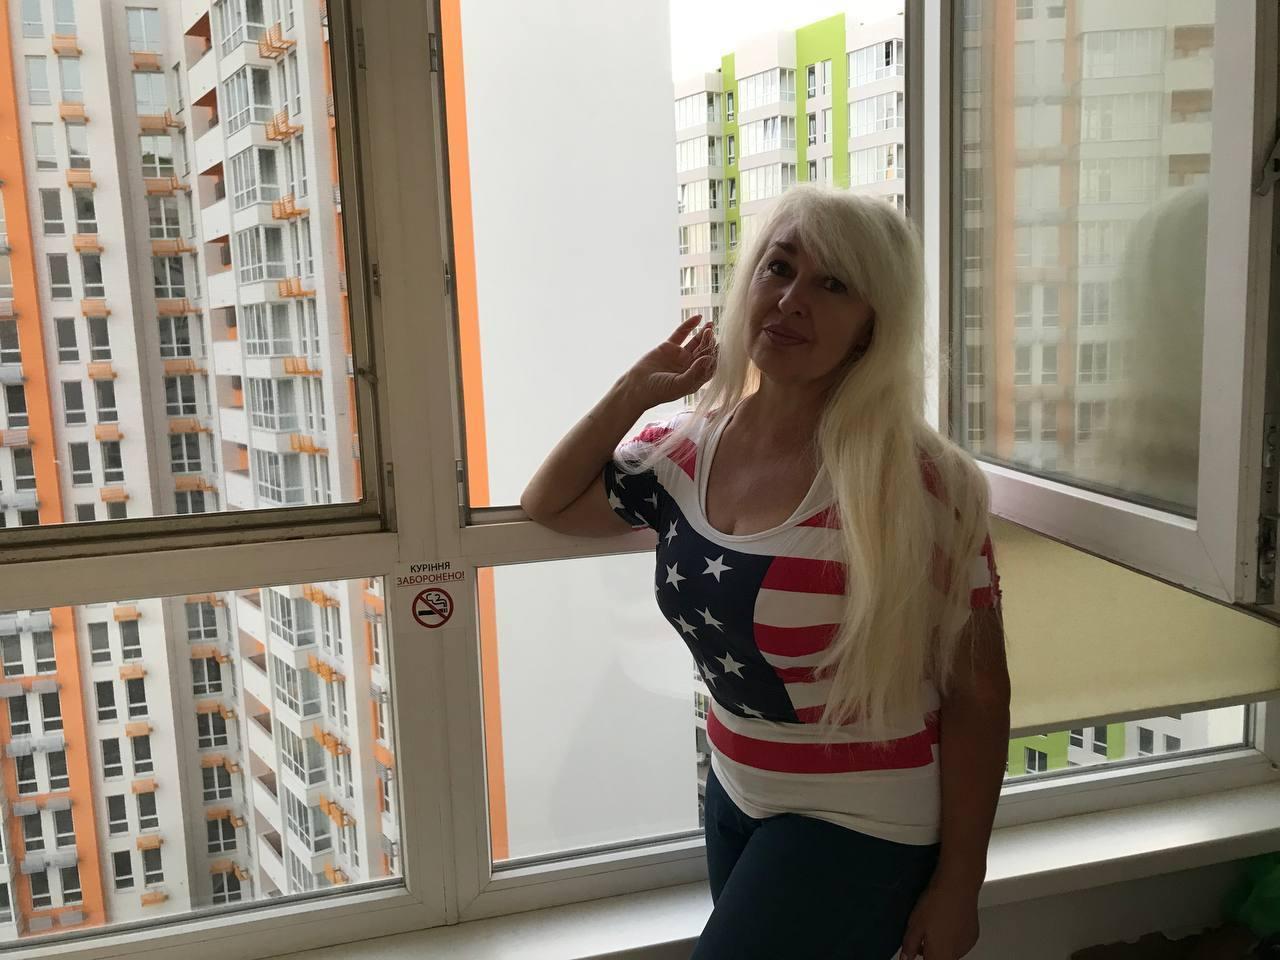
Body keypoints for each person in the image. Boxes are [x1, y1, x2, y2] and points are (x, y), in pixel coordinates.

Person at [521, 185, 1010, 960]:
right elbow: (548, 502)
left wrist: (960, 883)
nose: (791, 301)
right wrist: (634, 391)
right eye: (779, 268)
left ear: (871, 325)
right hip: (734, 790)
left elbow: (979, 693)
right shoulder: (687, 446)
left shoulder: (921, 483)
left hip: (863, 817)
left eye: (833, 284)